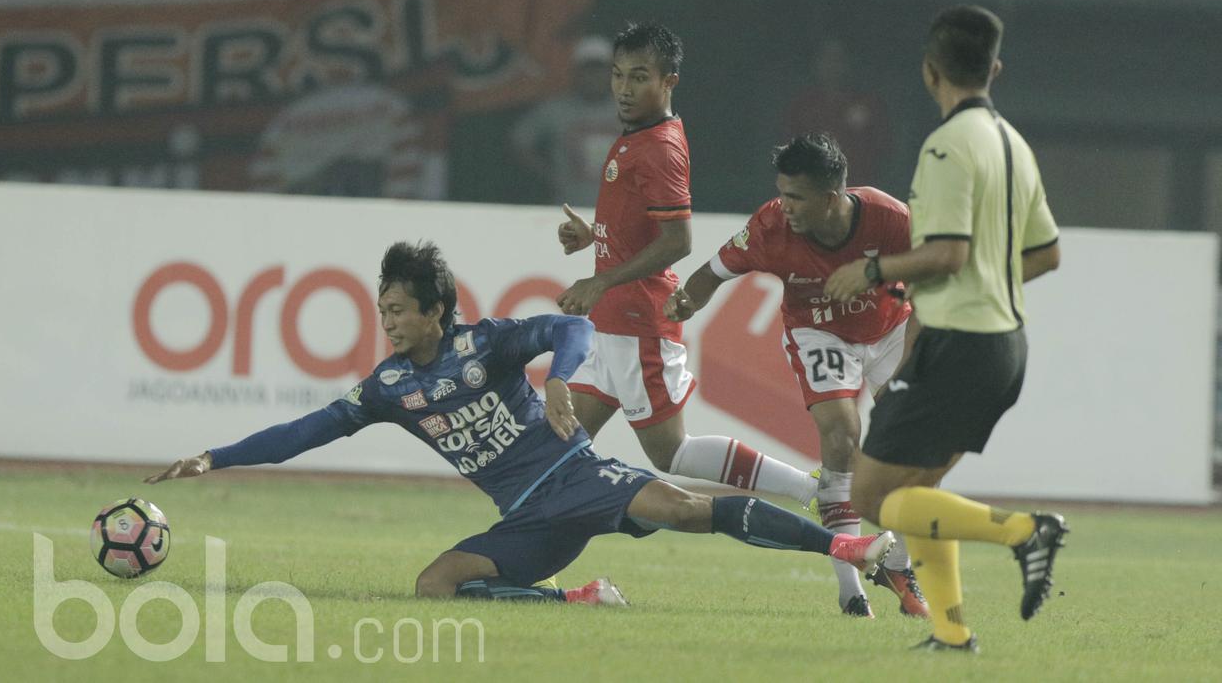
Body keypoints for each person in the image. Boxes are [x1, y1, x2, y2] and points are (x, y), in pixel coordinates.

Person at [146, 240, 896, 606]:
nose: (388, 323)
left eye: (399, 310)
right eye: (381, 311)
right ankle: (573, 598)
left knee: (682, 509)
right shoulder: (388, 388)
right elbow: (306, 431)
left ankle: (847, 546)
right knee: (435, 585)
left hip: (575, 475)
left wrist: (559, 381)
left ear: (436, 310)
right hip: (526, 519)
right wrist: (215, 456)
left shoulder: (485, 344)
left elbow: (572, 328)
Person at [823, 5, 1067, 652]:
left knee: (873, 497)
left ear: (930, 72)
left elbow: (947, 254)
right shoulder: (1013, 145)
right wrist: (986, 280)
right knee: (919, 491)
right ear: (995, 69)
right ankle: (951, 633)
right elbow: (1046, 253)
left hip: (957, 344)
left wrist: (871, 269)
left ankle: (1024, 531)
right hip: (1005, 346)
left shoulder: (945, 145)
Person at [663, 132, 927, 619]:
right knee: (841, 435)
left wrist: (908, 369)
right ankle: (851, 590)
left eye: (796, 197)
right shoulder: (770, 226)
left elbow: (932, 287)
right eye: (782, 193)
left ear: (831, 198)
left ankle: (899, 567)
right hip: (819, 331)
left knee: (910, 446)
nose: (784, 206)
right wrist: (687, 303)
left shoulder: (891, 218)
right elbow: (713, 272)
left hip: (892, 328)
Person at [556, 22, 819, 509]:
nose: (624, 88)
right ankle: (532, 545)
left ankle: (811, 490)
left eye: (639, 77)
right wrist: (596, 235)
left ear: (669, 81)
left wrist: (601, 280)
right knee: (558, 448)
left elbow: (679, 241)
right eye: (618, 75)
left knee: (671, 452)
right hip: (613, 324)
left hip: (636, 323)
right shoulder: (637, 135)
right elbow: (645, 225)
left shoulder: (659, 148)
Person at [510, 36, 620, 208]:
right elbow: (519, 141)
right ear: (576, 73)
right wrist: (549, 175)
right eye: (588, 70)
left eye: (599, 70)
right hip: (568, 208)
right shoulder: (555, 109)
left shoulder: (632, 111)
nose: (593, 77)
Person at [783, 39, 892, 186]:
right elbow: (790, 152)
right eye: (826, 58)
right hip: (813, 190)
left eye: (837, 58)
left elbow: (883, 150)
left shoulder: (867, 103)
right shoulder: (802, 106)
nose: (832, 65)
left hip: (856, 188)